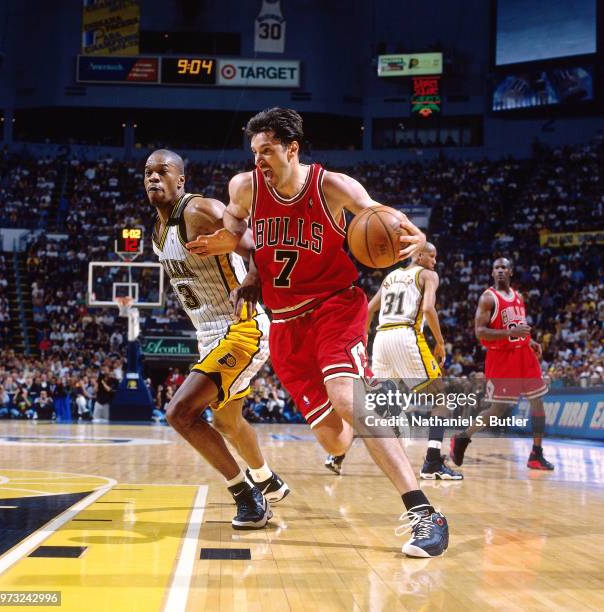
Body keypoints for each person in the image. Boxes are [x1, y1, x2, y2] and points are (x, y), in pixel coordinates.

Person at [193, 108, 449, 557]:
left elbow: (385, 218)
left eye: (268, 151)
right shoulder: (245, 186)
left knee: (350, 400)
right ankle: (365, 415)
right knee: (334, 437)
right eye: (254, 152)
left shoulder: (332, 186)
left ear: (292, 149)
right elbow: (239, 230)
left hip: (335, 307)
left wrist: (417, 237)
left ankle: (424, 512)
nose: (260, 161)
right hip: (287, 327)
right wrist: (242, 258)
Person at [145, 148, 289, 531]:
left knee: (179, 412)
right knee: (226, 422)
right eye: (148, 173)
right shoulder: (157, 229)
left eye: (163, 171)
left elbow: (261, 245)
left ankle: (247, 497)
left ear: (181, 179)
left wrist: (252, 279)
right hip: (208, 334)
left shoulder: (200, 211)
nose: (154, 178)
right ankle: (265, 478)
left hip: (242, 328)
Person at [362, 242, 463, 480]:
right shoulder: (428, 275)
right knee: (442, 399)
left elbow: (367, 311)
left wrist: (364, 342)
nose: (435, 262)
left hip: (381, 338)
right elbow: (428, 308)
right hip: (405, 335)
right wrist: (439, 341)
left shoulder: (390, 277)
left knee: (377, 405)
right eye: (432, 256)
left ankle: (338, 455)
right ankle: (432, 462)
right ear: (418, 255)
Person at [450, 258, 554, 470]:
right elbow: (480, 332)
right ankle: (462, 438)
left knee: (537, 402)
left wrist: (529, 341)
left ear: (511, 272)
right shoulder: (488, 298)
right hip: (502, 358)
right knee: (497, 409)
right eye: (496, 267)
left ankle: (536, 453)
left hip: (524, 355)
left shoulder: (519, 296)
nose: (500, 271)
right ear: (492, 272)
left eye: (504, 267)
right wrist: (510, 333)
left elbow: (517, 326)